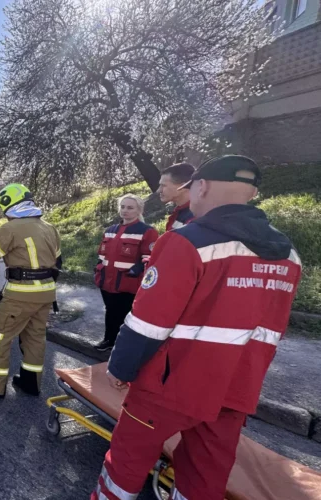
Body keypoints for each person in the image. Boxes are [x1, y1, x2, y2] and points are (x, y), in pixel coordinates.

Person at [93, 155, 302, 500]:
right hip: (236, 387)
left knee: (126, 464)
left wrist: (120, 368)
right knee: (205, 478)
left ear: (201, 187)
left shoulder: (186, 242)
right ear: (251, 193)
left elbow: (148, 323)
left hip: (170, 385)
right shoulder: (288, 254)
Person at [0, 184, 61, 398]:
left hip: (19, 295)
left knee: (0, 338)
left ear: (9, 206)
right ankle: (30, 383)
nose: (4, 215)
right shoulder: (49, 227)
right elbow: (58, 262)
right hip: (46, 294)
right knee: (35, 338)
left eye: (3, 210)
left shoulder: (11, 228)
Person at [93, 194, 159, 352]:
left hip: (128, 282)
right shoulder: (110, 230)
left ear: (139, 210)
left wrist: (136, 270)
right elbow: (101, 255)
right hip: (106, 281)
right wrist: (97, 269)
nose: (125, 210)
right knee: (110, 311)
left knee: (126, 315)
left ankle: (124, 347)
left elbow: (150, 258)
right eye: (122, 207)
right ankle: (109, 340)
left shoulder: (147, 231)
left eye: (130, 208)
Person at [158, 162, 196, 231]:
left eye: (163, 185)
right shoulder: (180, 212)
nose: (159, 190)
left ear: (183, 186)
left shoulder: (195, 216)